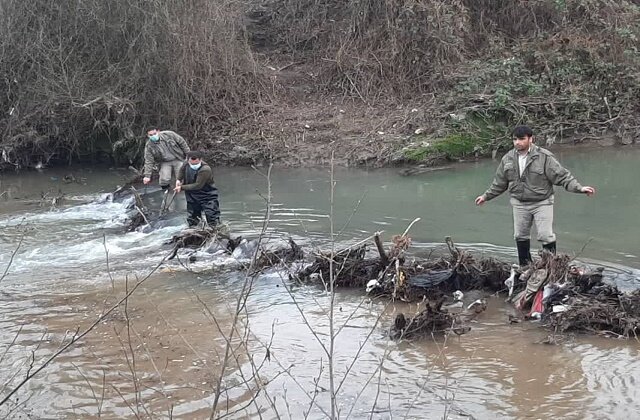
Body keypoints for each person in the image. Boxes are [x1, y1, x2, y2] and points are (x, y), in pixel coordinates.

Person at [474, 125, 595, 266]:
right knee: (520, 235)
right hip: (519, 203)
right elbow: (499, 183)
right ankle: (524, 267)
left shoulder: (544, 157)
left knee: (545, 235)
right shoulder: (508, 158)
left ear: (531, 139)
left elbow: (562, 177)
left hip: (542, 202)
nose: (517, 142)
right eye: (514, 139)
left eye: (521, 139)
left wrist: (580, 188)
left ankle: (551, 266)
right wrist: (485, 196)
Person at [174, 150, 220, 227]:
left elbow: (198, 185)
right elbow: (182, 170)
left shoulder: (205, 169)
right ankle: (193, 230)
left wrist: (181, 187)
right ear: (188, 160)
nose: (194, 165)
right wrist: (178, 179)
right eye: (192, 163)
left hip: (207, 195)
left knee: (212, 216)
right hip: (192, 195)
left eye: (196, 163)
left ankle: (215, 231)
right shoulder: (186, 163)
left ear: (200, 160)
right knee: (192, 217)